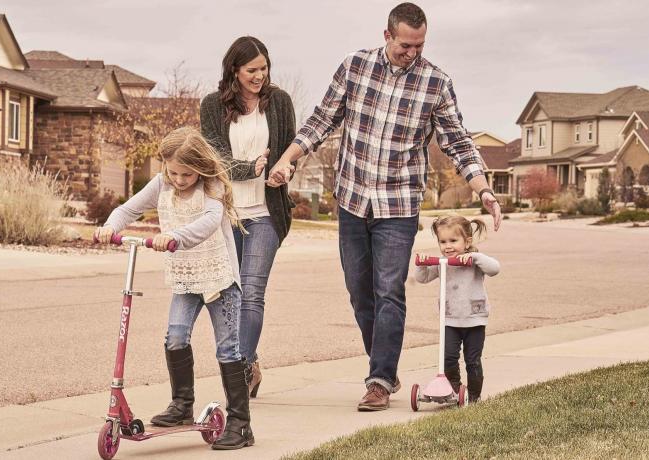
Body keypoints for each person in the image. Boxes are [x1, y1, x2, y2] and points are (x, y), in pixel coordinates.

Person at [266, 2, 503, 411]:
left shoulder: (436, 83)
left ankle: (378, 379)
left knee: (389, 290)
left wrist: (483, 190)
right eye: (405, 46)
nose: (412, 53)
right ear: (387, 35)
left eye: (419, 46)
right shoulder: (355, 66)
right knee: (360, 293)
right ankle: (387, 369)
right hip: (352, 199)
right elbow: (321, 120)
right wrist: (288, 159)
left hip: (399, 204)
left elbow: (458, 142)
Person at [94, 127, 253, 450]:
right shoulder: (162, 183)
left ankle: (240, 424)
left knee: (227, 349)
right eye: (174, 172)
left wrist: (176, 236)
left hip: (219, 278)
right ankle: (182, 405)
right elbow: (129, 209)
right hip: (186, 277)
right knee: (176, 337)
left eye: (186, 174)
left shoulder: (212, 186)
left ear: (200, 168)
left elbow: (209, 222)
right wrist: (110, 226)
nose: (179, 179)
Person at [200, 36, 296, 398]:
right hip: (226, 215)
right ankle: (250, 364)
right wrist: (249, 168)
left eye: (264, 68)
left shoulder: (280, 102)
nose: (259, 76)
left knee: (253, 292)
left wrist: (284, 170)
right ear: (234, 70)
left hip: (266, 214)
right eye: (252, 70)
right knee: (230, 295)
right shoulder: (212, 105)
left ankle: (237, 373)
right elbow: (214, 160)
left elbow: (290, 150)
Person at [415, 215, 500, 402]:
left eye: (453, 241)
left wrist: (474, 257)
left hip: (474, 319)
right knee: (448, 357)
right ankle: (453, 389)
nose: (448, 246)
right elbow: (422, 278)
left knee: (472, 360)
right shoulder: (443, 263)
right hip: (449, 320)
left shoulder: (474, 262)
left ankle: (475, 396)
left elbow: (495, 268)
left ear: (467, 241)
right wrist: (422, 264)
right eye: (443, 241)